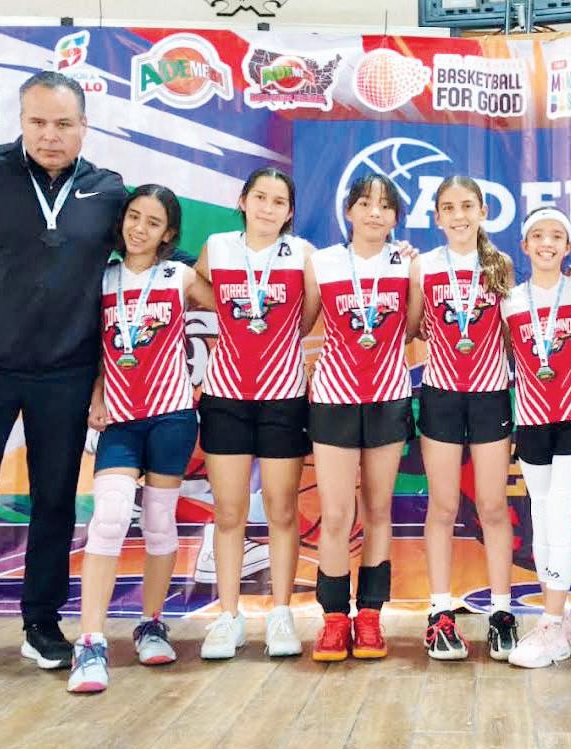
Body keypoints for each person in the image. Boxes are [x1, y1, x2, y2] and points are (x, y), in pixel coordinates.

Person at [0, 71, 125, 671]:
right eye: (38, 122)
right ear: (21, 121)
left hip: (65, 372)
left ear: (85, 125)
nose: (50, 135)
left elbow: (151, 253)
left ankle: (41, 622)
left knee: (56, 500)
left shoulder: (107, 191)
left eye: (63, 124)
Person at [67, 185, 214, 692]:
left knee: (158, 522)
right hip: (121, 419)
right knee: (108, 518)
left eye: (153, 222)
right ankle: (90, 642)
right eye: (134, 217)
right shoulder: (102, 277)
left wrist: (205, 379)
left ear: (169, 234)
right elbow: (95, 347)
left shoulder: (180, 276)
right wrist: (97, 393)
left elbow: (237, 310)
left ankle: (152, 623)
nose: (140, 229)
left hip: (173, 417)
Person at [194, 168, 312, 659]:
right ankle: (228, 616)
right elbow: (198, 287)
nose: (267, 207)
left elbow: (309, 315)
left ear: (289, 212)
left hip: (283, 395)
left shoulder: (302, 253)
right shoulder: (217, 247)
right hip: (225, 396)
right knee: (229, 512)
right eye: (259, 197)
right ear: (243, 201)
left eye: (278, 201)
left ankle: (281, 613)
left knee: (282, 510)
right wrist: (232, 315)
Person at [406, 176, 518, 660]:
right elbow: (412, 327)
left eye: (467, 206)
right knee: (444, 506)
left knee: (492, 506)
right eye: (448, 207)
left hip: (491, 395)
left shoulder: (500, 264)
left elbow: (514, 332)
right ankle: (439, 612)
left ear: (483, 211)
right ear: (436, 217)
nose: (458, 215)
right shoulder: (423, 265)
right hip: (441, 394)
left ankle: (501, 612)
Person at [305, 174, 413, 662]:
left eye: (385, 206)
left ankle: (369, 615)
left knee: (378, 510)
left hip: (389, 396)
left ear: (395, 218)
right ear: (348, 210)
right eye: (365, 203)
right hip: (334, 398)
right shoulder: (322, 262)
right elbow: (303, 321)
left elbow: (414, 327)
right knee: (335, 514)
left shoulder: (408, 264)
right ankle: (333, 619)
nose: (375, 213)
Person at [501, 207, 571, 669]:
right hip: (531, 418)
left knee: (560, 512)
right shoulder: (509, 300)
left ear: (568, 246)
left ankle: (551, 624)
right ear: (525, 245)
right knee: (541, 517)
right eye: (538, 235)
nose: (547, 243)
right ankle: (559, 619)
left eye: (556, 236)